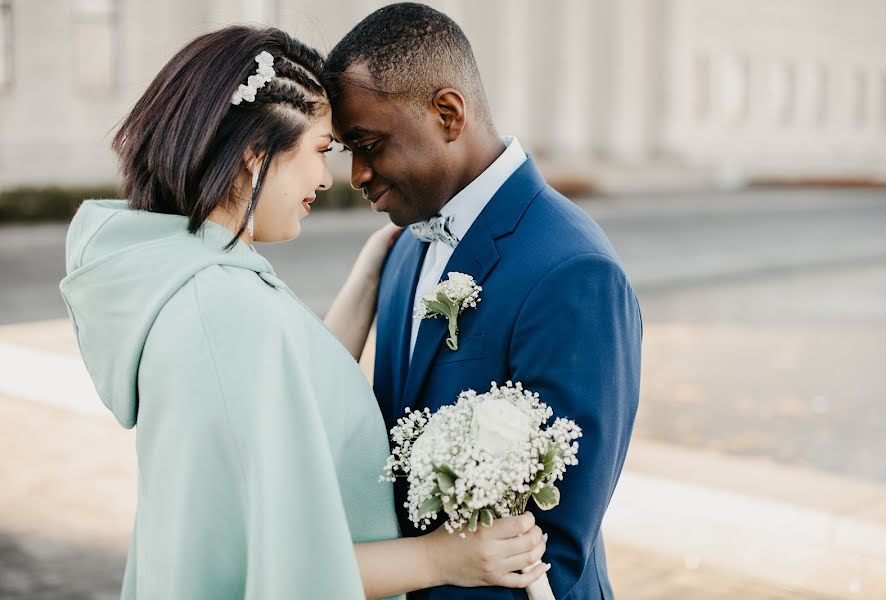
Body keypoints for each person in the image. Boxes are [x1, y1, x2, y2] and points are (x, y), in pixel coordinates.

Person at [59, 25, 549, 600]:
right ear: (255, 154)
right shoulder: (222, 310)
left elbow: (290, 397)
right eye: (321, 151)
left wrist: (368, 277)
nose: (327, 178)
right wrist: (446, 556)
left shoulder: (197, 284)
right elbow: (280, 570)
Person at [324, 4, 643, 599]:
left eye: (368, 144)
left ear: (448, 114)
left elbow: (554, 547)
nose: (357, 174)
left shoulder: (574, 273)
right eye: (346, 149)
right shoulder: (399, 249)